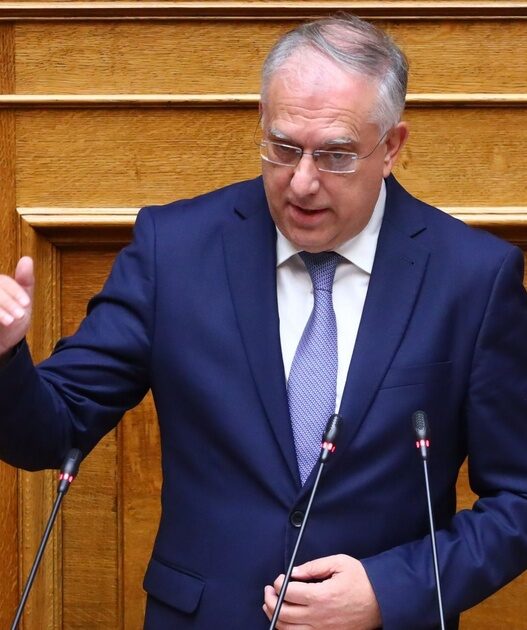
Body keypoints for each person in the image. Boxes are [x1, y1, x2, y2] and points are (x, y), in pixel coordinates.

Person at [1, 13, 527, 630]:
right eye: (283, 148)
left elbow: (519, 499)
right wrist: (5, 357)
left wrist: (389, 590)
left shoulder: (472, 278)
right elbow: (50, 431)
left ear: (391, 147)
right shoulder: (174, 251)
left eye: (335, 155)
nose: (301, 182)